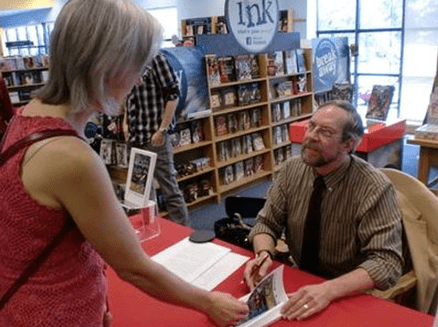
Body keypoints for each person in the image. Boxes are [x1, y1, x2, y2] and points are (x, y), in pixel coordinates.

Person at [0, 1, 248, 326]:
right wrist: (209, 302)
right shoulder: (71, 157)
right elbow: (134, 268)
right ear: (108, 64)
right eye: (138, 66)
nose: (140, 80)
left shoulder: (28, 116)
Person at [243, 100, 403, 321]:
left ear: (349, 144)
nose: (311, 136)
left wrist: (328, 290)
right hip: (299, 278)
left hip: (346, 290)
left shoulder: (374, 188)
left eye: (325, 132)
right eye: (311, 126)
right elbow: (266, 223)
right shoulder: (291, 170)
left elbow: (386, 262)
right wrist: (263, 254)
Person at [126, 51, 189, 225]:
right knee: (142, 194)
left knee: (170, 189)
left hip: (155, 138)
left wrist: (162, 129)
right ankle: (152, 232)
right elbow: (129, 96)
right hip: (135, 138)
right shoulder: (128, 58)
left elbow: (173, 94)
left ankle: (184, 234)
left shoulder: (155, 57)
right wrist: (125, 124)